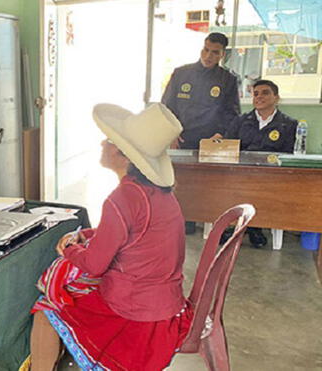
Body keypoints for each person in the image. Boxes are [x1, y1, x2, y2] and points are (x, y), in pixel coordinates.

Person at [26, 103, 193, 371]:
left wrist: (68, 249)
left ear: (124, 155)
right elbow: (134, 233)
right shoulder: (159, 193)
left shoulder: (122, 197)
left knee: (47, 307)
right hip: (166, 307)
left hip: (135, 315)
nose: (103, 143)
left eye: (110, 140)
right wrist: (87, 235)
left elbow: (93, 264)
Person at [162, 32, 240, 234]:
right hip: (180, 139)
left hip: (210, 142)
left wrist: (221, 134)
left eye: (214, 52)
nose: (208, 55)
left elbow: (232, 113)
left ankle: (205, 219)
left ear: (222, 54)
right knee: (179, 182)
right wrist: (171, 133)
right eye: (206, 50)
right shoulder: (181, 73)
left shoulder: (228, 80)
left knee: (207, 183)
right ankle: (182, 220)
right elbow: (166, 107)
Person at [223, 79, 298, 247]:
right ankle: (241, 227)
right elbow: (228, 147)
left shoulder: (289, 124)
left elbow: (289, 155)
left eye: (265, 93)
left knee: (261, 188)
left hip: (270, 177)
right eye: (256, 94)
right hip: (240, 175)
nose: (259, 97)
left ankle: (251, 227)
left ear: (276, 98)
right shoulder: (240, 121)